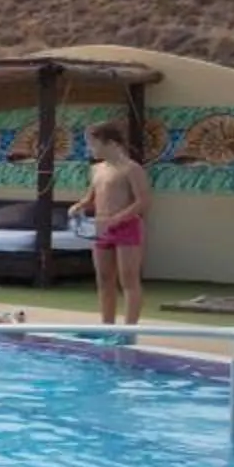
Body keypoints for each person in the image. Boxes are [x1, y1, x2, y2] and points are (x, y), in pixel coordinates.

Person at [71, 120, 151, 325]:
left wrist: (116, 219)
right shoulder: (97, 169)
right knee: (104, 280)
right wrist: (79, 206)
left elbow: (143, 201)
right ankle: (107, 327)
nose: (91, 149)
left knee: (128, 279)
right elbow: (91, 198)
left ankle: (129, 331)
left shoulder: (131, 169)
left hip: (126, 227)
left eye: (94, 144)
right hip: (101, 228)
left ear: (111, 143)